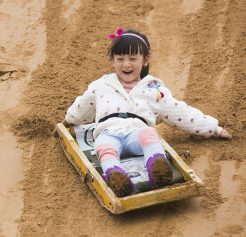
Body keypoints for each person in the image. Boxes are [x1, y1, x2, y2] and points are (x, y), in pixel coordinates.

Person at [53, 28, 232, 197]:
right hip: (108, 133)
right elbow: (81, 105)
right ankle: (116, 176)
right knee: (103, 148)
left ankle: (157, 166)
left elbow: (180, 111)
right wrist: (67, 122)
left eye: (133, 58)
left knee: (148, 134)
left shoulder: (154, 90)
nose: (126, 64)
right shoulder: (101, 85)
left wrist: (214, 128)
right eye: (120, 58)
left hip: (136, 133)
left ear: (145, 60)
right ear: (113, 60)